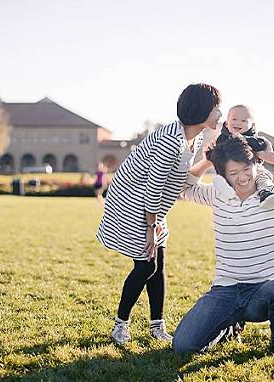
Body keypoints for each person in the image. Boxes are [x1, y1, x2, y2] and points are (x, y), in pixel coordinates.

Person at [96, 83, 222, 345]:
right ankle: (120, 325)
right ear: (200, 110)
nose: (220, 113)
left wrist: (209, 159)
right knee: (146, 265)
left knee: (158, 264)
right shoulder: (170, 141)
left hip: (152, 206)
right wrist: (151, 229)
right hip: (132, 202)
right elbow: (153, 187)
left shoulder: (193, 137)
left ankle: (157, 326)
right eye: (215, 108)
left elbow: (181, 180)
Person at [172, 134, 274, 357]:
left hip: (263, 292)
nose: (242, 177)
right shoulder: (217, 196)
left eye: (246, 169)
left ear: (255, 165)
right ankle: (227, 326)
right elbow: (182, 186)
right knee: (183, 346)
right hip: (226, 290)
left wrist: (264, 154)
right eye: (233, 173)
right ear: (224, 176)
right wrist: (211, 159)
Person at [221, 104, 274, 209]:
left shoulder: (254, 138)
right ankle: (228, 198)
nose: (238, 123)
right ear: (226, 123)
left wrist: (243, 139)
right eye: (234, 119)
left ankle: (265, 193)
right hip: (230, 169)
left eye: (244, 121)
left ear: (252, 125)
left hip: (253, 167)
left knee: (263, 176)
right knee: (221, 179)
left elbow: (262, 145)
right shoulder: (222, 138)